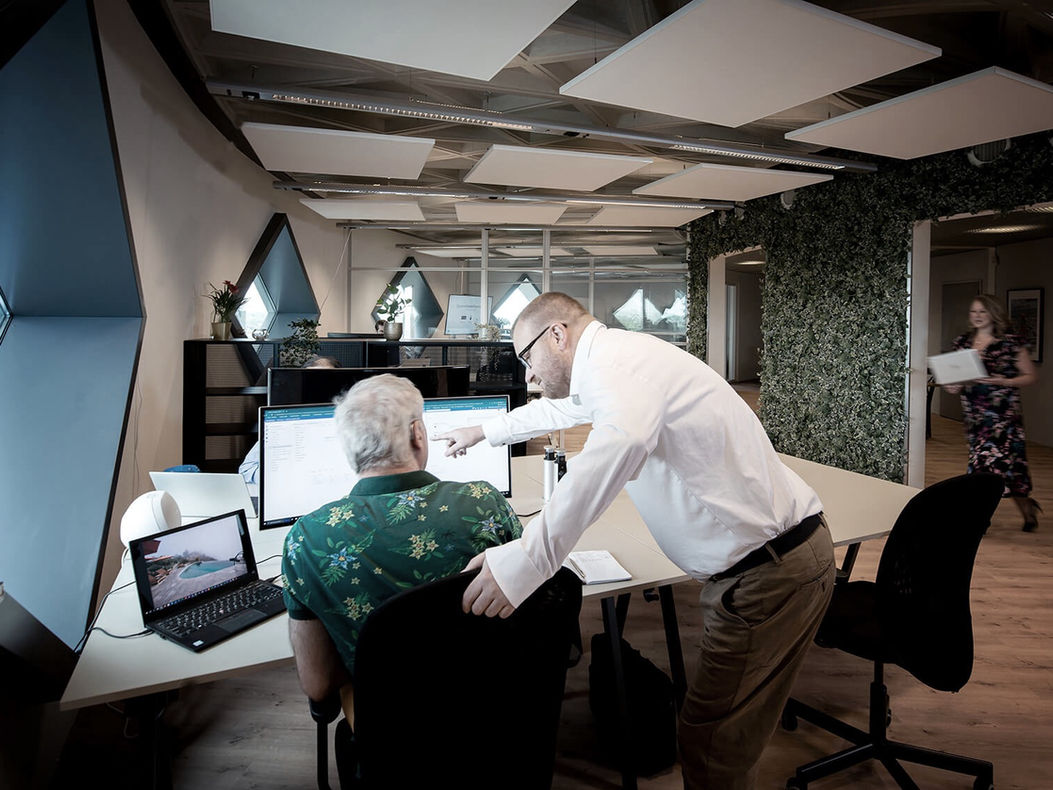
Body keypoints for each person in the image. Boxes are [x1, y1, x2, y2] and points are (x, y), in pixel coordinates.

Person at [437, 292, 835, 790]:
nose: (529, 377)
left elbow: (613, 450)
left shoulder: (618, 369)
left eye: (527, 358)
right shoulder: (618, 358)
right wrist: (486, 429)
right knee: (722, 737)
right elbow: (568, 411)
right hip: (775, 560)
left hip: (768, 575)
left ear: (557, 335)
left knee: (712, 748)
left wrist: (527, 560)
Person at [280, 374, 522, 726]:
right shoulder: (484, 503)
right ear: (417, 434)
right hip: (495, 711)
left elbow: (318, 685)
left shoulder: (307, 539)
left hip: (389, 737)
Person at [944, 294, 1040, 530]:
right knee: (995, 467)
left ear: (993, 314)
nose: (976, 316)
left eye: (982, 312)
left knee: (994, 466)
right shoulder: (963, 342)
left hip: (1003, 417)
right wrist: (952, 385)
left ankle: (985, 516)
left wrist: (1003, 381)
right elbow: (953, 380)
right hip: (975, 417)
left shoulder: (1011, 342)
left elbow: (1030, 376)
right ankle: (1013, 510)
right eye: (973, 312)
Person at [238, 355, 340, 490]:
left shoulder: (353, 424)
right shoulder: (283, 425)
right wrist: (283, 476)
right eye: (313, 381)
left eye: (325, 380)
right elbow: (246, 470)